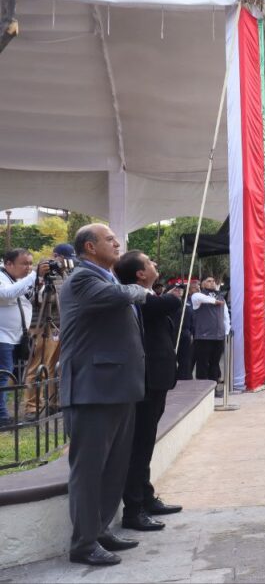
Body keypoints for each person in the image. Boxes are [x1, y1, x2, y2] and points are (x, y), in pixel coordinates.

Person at [58, 224, 149, 566]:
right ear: (90, 247)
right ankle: (83, 542)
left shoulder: (106, 277)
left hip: (117, 387)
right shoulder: (82, 278)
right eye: (110, 239)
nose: (117, 243)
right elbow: (116, 297)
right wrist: (138, 291)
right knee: (90, 469)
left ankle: (101, 529)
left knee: (114, 466)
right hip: (92, 389)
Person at [113, 250, 183, 533]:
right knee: (139, 446)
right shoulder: (135, 297)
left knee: (145, 444)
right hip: (147, 379)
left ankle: (146, 496)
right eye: (150, 263)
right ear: (140, 274)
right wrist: (173, 297)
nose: (155, 264)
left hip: (157, 379)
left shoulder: (148, 296)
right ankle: (134, 509)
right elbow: (167, 304)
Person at [0, 249, 48, 426]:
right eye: (24, 264)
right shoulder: (2, 278)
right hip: (2, 336)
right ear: (9, 264)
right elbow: (7, 294)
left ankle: (3, 414)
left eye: (30, 263)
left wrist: (41, 284)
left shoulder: (20, 280)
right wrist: (34, 275)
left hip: (18, 337)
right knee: (2, 375)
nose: (28, 268)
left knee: (10, 375)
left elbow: (38, 300)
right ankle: (2, 416)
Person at [24, 243, 73, 418]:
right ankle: (32, 407)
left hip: (59, 325)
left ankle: (54, 401)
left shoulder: (66, 275)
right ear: (55, 256)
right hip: (40, 326)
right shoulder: (38, 274)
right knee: (36, 367)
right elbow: (37, 298)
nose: (64, 264)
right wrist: (41, 277)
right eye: (63, 260)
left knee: (56, 366)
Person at [190, 276, 230, 382]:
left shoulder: (220, 297)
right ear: (202, 284)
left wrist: (226, 332)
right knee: (202, 364)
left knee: (215, 363)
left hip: (218, 336)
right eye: (208, 281)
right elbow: (198, 297)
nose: (212, 283)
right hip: (204, 337)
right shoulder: (198, 295)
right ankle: (201, 389)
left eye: (213, 281)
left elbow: (225, 315)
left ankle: (214, 387)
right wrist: (214, 301)